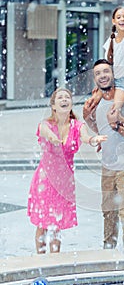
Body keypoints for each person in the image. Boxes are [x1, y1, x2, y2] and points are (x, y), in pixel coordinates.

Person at [27, 88, 107, 254]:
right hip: (45, 180)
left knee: (56, 225)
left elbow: (85, 138)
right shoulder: (45, 124)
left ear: (70, 103)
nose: (64, 100)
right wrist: (52, 138)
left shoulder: (78, 126)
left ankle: (54, 261)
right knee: (42, 223)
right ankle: (40, 261)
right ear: (54, 106)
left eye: (67, 97)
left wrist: (93, 140)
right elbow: (45, 132)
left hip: (63, 183)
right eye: (60, 97)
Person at [83, 59, 124, 249]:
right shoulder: (97, 103)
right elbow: (98, 127)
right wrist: (87, 118)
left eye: (105, 72)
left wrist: (117, 126)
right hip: (107, 166)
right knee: (108, 211)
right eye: (98, 73)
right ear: (95, 79)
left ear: (113, 75)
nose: (102, 76)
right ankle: (108, 252)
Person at [90, 6, 124, 158]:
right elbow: (107, 61)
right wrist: (99, 86)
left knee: (113, 113)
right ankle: (103, 136)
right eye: (119, 17)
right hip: (111, 81)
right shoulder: (112, 38)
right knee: (89, 108)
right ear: (114, 21)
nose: (122, 19)